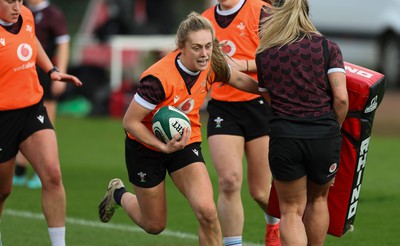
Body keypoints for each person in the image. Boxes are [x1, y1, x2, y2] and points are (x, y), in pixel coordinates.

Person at [97, 11, 261, 246]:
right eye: (196, 48)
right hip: (145, 147)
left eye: (208, 46)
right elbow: (129, 122)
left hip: (185, 142)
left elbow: (240, 80)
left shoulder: (212, 62)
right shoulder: (157, 79)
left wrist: (270, 92)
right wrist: (162, 147)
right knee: (154, 225)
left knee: (207, 212)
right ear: (181, 47)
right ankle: (118, 194)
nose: (204, 54)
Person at [255, 0, 349, 245]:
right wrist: (332, 131)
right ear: (306, 13)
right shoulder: (329, 48)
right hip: (323, 137)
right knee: (318, 200)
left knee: (290, 210)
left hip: (285, 137)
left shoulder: (265, 54)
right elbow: (341, 99)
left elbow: (270, 99)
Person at [0, 1, 83, 245]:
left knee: (53, 175)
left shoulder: (25, 15)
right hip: (3, 117)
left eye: (20, 0)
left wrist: (51, 69)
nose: (17, 6)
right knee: (3, 191)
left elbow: (31, 40)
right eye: (10, 1)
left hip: (31, 109)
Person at [202, 1, 281, 245]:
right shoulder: (204, 21)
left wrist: (243, 65)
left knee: (260, 191)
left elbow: (279, 59)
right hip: (223, 108)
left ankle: (275, 224)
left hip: (259, 104)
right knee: (229, 180)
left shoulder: (262, 11)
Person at [12, 0, 70, 189]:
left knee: (45, 126)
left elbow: (63, 45)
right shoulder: (19, 11)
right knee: (19, 125)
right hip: (20, 77)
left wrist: (58, 72)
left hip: (44, 76)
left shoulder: (53, 14)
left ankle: (42, 172)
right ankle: (19, 171)